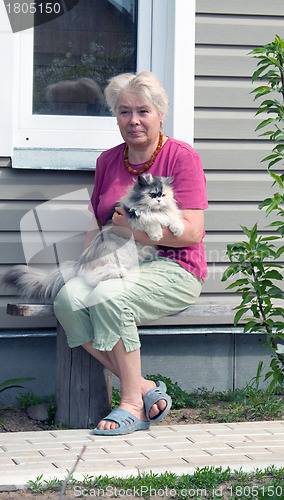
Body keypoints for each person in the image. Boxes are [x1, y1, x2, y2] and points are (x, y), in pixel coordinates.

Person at [53, 71, 208, 435]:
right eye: (124, 112)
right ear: (115, 116)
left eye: (143, 111)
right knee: (68, 301)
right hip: (112, 260)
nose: (133, 121)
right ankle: (142, 385)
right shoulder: (108, 161)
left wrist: (131, 230)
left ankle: (131, 405)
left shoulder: (181, 157)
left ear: (160, 113)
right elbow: (96, 222)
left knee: (109, 297)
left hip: (175, 267)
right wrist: (86, 265)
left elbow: (193, 233)